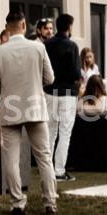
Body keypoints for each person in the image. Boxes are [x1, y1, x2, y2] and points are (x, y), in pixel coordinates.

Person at [0, 10, 57, 215]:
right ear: (25, 25)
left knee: (11, 159)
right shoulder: (39, 47)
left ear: (7, 28)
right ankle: (50, 202)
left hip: (10, 108)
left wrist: (7, 90)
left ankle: (17, 203)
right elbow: (50, 78)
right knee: (44, 156)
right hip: (35, 107)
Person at [43, 13, 81, 182]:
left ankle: (48, 169)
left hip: (50, 90)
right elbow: (76, 73)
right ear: (69, 27)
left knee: (50, 130)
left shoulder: (47, 44)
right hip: (67, 92)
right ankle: (59, 170)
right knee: (65, 131)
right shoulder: (72, 46)